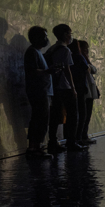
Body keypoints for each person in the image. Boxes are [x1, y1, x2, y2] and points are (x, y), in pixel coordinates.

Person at [45, 24, 84, 153]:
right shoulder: (65, 50)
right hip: (64, 86)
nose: (70, 36)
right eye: (69, 33)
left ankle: (52, 141)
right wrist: (73, 88)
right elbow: (67, 70)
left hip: (54, 86)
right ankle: (71, 141)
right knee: (73, 114)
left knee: (55, 115)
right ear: (64, 34)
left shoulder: (52, 48)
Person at [23, 26, 53, 159]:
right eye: (44, 36)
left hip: (42, 90)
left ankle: (35, 147)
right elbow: (31, 71)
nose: (46, 39)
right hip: (38, 91)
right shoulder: (32, 52)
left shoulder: (37, 52)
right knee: (39, 119)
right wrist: (48, 71)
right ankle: (35, 147)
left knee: (40, 119)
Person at [67, 38, 91, 143]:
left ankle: (75, 138)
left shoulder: (70, 56)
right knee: (81, 114)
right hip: (80, 88)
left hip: (74, 88)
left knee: (76, 114)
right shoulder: (78, 57)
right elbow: (89, 69)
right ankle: (78, 138)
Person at [78, 40, 100, 143]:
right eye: (85, 48)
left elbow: (94, 70)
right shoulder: (79, 59)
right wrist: (86, 58)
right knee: (84, 114)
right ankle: (81, 136)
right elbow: (91, 69)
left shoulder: (83, 59)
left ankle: (84, 135)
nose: (87, 51)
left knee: (87, 114)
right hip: (85, 90)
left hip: (89, 90)